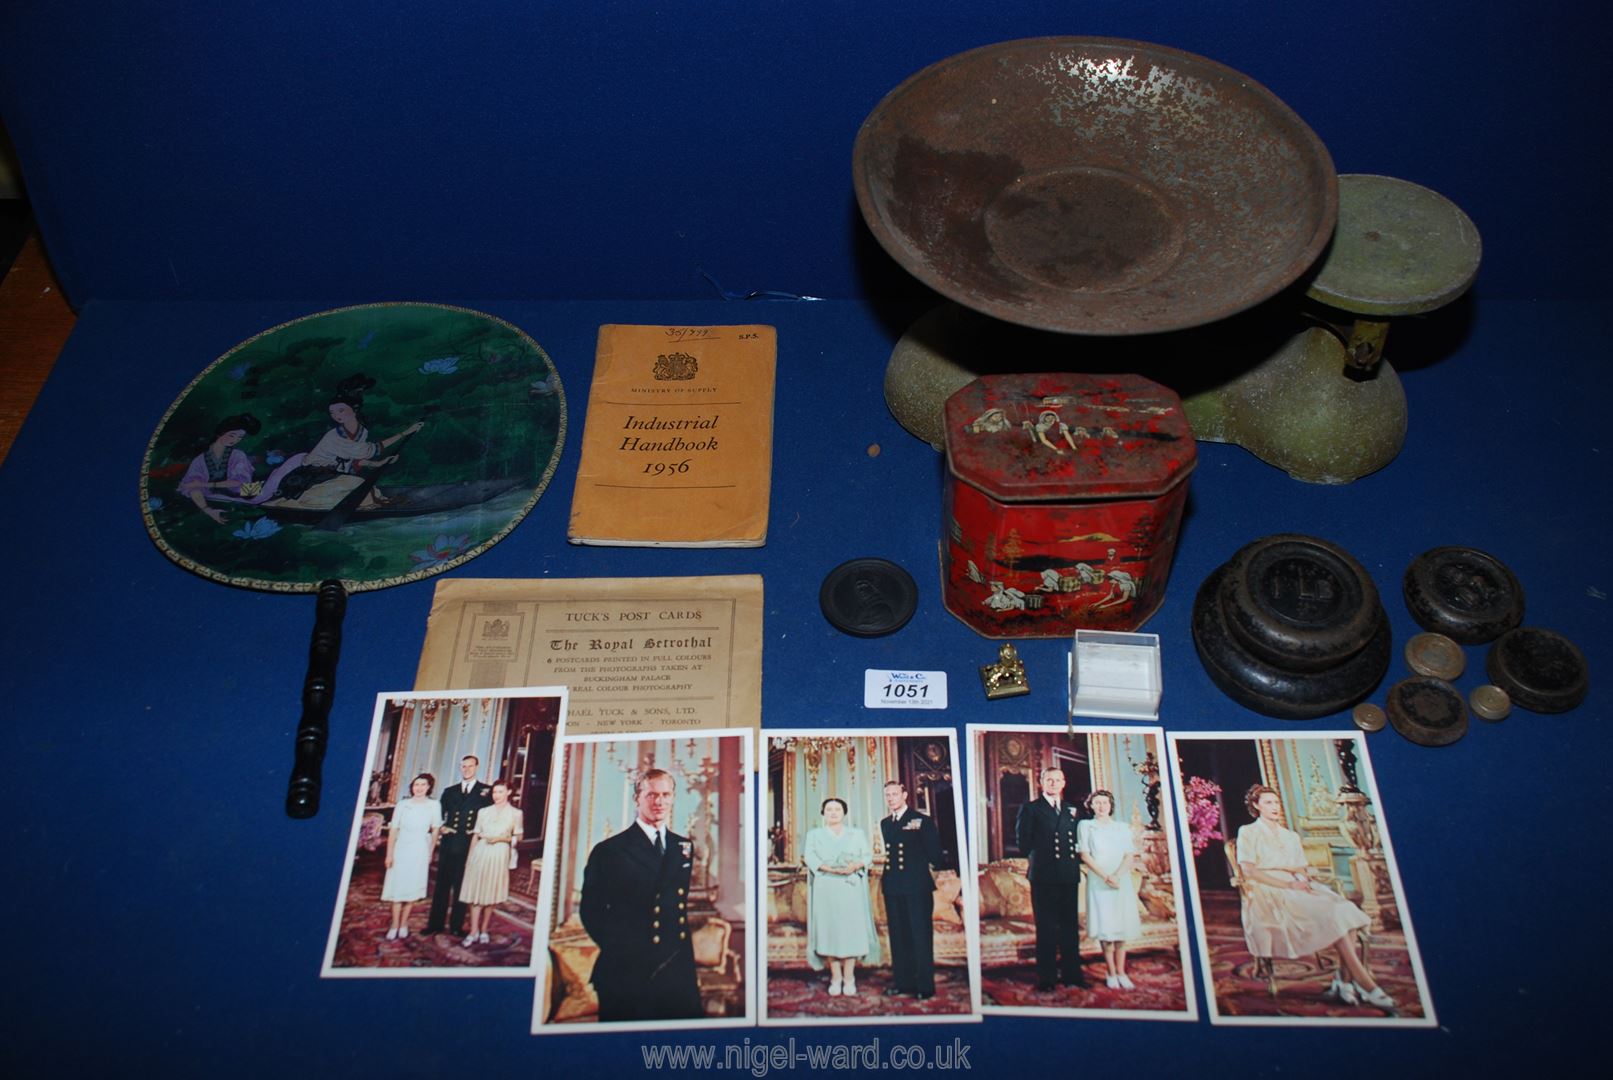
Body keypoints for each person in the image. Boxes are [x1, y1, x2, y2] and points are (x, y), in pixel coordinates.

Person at [1237, 784, 1397, 1011]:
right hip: (1269, 891)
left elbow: (1301, 867)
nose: (1275, 807)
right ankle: (1366, 985)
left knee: (1346, 913)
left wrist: (1305, 879)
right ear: (1256, 806)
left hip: (1297, 885)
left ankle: (1343, 982)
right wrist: (1288, 883)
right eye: (1268, 802)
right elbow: (1250, 872)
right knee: (1337, 916)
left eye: (1276, 802)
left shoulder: (1290, 836)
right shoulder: (1248, 832)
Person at [579, 769, 701, 1022]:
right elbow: (590, 911)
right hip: (627, 969)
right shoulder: (609, 851)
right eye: (651, 795)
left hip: (676, 966)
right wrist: (622, 950)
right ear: (637, 798)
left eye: (666, 795)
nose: (659, 802)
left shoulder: (683, 847)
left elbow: (674, 906)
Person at [278, 373, 423, 505]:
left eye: (341, 410)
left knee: (360, 487)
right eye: (332, 412)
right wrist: (404, 433)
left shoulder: (361, 432)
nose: (336, 416)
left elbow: (354, 458)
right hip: (314, 477)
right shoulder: (334, 436)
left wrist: (378, 464)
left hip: (334, 475)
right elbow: (368, 450)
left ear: (354, 409)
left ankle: (377, 502)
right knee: (358, 485)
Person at [1014, 766, 1088, 991]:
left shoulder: (1072, 809)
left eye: (1058, 780)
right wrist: (1042, 855)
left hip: (1068, 874)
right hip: (1044, 875)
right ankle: (1047, 979)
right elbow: (1022, 842)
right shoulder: (1031, 808)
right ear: (1041, 783)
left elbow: (1078, 839)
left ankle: (1072, 975)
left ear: (1064, 783)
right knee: (1046, 928)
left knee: (1069, 927)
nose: (1054, 784)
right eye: (1049, 780)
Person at [803, 797, 880, 997]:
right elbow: (809, 856)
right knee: (830, 932)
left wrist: (854, 866)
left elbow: (866, 856)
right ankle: (835, 977)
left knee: (850, 933)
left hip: (850, 888)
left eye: (837, 809)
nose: (834, 813)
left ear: (844, 812)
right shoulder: (814, 835)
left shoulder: (857, 834)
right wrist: (828, 868)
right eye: (829, 809)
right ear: (823, 813)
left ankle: (849, 977)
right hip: (826, 887)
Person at [879, 780, 940, 1000]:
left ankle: (925, 986)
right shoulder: (885, 823)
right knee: (898, 937)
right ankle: (903, 983)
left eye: (895, 794)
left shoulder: (921, 820)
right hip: (893, 886)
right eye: (887, 795)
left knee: (920, 936)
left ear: (905, 795)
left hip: (916, 887)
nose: (891, 798)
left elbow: (934, 854)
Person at [1077, 789, 1141, 989]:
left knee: (1121, 928)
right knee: (1107, 929)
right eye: (1097, 803)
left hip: (1121, 881)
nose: (1101, 806)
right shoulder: (1086, 826)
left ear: (1110, 805)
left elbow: (1129, 856)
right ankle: (1111, 972)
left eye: (1104, 803)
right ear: (1091, 806)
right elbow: (1085, 855)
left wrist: (1117, 876)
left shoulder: (1122, 828)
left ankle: (1122, 972)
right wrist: (1105, 876)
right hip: (1099, 880)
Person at [425, 756, 492, 938]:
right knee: (441, 886)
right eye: (464, 766)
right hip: (449, 843)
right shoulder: (449, 791)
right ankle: (435, 924)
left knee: (462, 886)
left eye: (470, 766)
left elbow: (490, 818)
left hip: (470, 845)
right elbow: (439, 817)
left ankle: (456, 925)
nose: (467, 769)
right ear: (460, 768)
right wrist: (443, 828)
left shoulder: (486, 791)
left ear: (477, 767)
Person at [458, 780, 523, 946]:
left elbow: (519, 836)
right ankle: (473, 931)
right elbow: (476, 834)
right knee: (476, 894)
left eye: (500, 792)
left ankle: (484, 929)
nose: (496, 795)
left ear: (508, 792)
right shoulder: (483, 812)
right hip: (481, 851)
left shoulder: (516, 813)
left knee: (490, 894)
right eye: (494, 792)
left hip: (499, 853)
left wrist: (501, 838)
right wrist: (470, 857)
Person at [379, 772, 442, 940]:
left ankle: (404, 923)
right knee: (397, 886)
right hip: (401, 848)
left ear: (428, 787)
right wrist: (389, 854)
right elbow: (394, 830)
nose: (419, 788)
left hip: (420, 849)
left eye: (423, 785)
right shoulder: (402, 804)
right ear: (412, 787)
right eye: (416, 785)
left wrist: (430, 852)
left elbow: (435, 829)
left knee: (412, 888)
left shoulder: (434, 805)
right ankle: (394, 924)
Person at [178, 414, 260, 522]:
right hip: (211, 501)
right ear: (220, 433)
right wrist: (208, 510)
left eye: (239, 437)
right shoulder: (200, 460)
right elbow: (192, 488)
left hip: (244, 497)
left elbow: (239, 482)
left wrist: (204, 484)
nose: (235, 440)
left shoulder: (237, 455)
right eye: (232, 435)